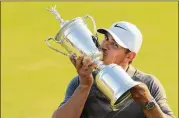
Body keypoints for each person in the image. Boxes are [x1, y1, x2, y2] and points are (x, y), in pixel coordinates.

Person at [52, 21, 175, 118]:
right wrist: (84, 86)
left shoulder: (148, 84)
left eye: (114, 44)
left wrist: (147, 101)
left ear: (129, 56)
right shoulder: (81, 80)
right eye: (106, 38)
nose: (105, 45)